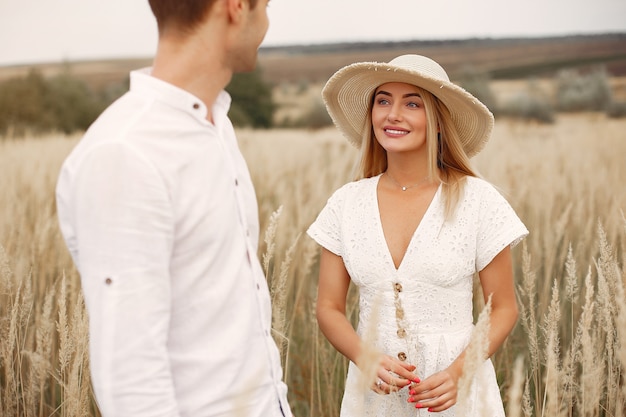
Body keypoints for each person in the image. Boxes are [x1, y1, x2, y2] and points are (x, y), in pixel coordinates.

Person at [55, 1, 292, 416]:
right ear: (236, 7)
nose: (269, 22)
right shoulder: (126, 153)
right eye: (267, 6)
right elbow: (130, 381)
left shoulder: (216, 124)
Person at [307, 54, 529, 416]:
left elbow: (503, 307)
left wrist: (461, 371)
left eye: (412, 103)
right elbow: (328, 308)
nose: (393, 114)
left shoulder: (477, 199)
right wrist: (364, 356)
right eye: (383, 101)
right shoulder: (346, 203)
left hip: (456, 395)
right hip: (374, 398)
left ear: (438, 121)